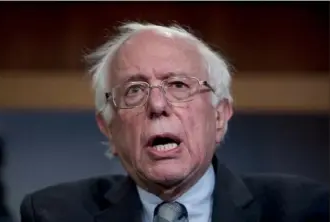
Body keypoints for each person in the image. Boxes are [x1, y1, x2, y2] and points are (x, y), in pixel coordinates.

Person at [20, 22, 329, 222]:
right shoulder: (54, 214)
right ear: (109, 128)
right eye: (135, 90)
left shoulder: (303, 210)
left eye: (179, 85)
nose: (157, 105)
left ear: (219, 115)